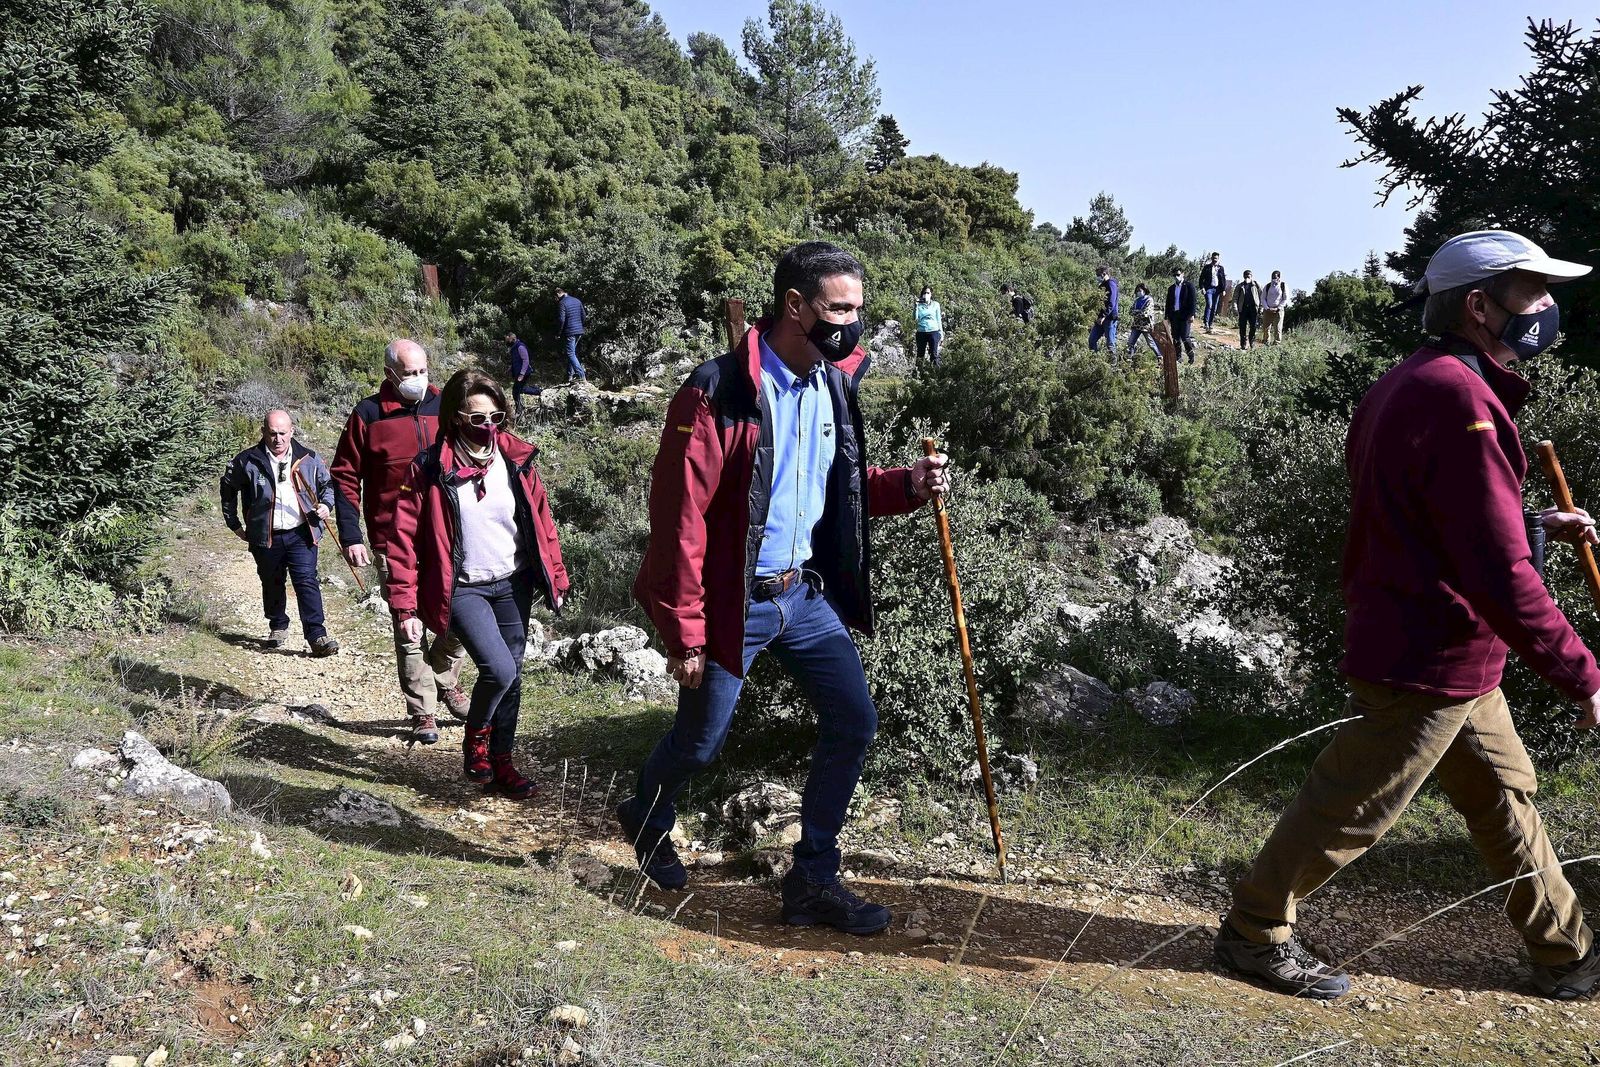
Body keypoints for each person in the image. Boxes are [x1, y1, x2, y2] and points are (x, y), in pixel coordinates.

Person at [1215, 229, 1600, 1002]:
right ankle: (1254, 932)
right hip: (1427, 655)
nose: (1550, 305)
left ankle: (1567, 955)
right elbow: (1492, 568)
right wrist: (1581, 672)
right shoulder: (1459, 398)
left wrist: (1528, 522)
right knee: (1353, 804)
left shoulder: (1423, 381)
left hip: (1451, 650)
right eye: (1535, 290)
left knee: (1502, 796)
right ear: (1481, 306)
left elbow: (1441, 515)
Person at [624, 241, 950, 934]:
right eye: (839, 308)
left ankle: (813, 878)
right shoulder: (719, 391)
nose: (852, 323)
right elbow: (679, 518)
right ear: (794, 305)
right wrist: (684, 631)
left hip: (803, 596)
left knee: (854, 720)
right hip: (731, 601)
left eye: (859, 309)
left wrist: (907, 486)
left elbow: (838, 487)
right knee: (700, 742)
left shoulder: (832, 383)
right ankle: (648, 816)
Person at [385, 369, 570, 797]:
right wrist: (405, 607)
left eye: (495, 417)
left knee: (513, 676)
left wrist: (556, 576)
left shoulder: (516, 460)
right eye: (477, 419)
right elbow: (402, 540)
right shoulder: (428, 469)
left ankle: (502, 764)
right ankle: (477, 739)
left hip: (513, 582)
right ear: (454, 418)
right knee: (498, 668)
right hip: (464, 587)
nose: (488, 427)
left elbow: (542, 522)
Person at [332, 340, 468, 745]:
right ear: (390, 374)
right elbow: (344, 477)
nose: (418, 380)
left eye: (423, 370)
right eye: (409, 373)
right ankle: (423, 710)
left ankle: (445, 680)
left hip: (449, 534)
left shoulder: (446, 406)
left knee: (457, 616)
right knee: (408, 626)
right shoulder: (368, 415)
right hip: (392, 537)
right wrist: (352, 534)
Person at [221, 410, 340, 657]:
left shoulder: (308, 458)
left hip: (302, 532)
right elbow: (228, 489)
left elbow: (328, 485)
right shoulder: (247, 461)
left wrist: (326, 506)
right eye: (272, 433)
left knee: (306, 581)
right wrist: (234, 524)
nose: (278, 439)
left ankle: (317, 635)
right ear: (263, 432)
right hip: (266, 535)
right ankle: (277, 626)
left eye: (282, 433)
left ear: (292, 432)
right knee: (271, 581)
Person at [505, 331, 541, 417]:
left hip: (524, 373)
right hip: (520, 372)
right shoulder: (514, 347)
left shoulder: (520, 346)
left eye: (507, 340)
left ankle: (519, 410)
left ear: (512, 339)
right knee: (519, 389)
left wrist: (521, 374)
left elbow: (526, 361)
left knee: (516, 391)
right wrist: (510, 368)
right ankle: (537, 391)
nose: (506, 342)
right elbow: (516, 361)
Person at [1165, 269, 1198, 363]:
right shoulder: (1171, 288)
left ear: (1183, 274)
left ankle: (1191, 355)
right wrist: (1167, 316)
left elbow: (1193, 301)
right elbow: (1168, 303)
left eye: (1178, 274)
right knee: (1175, 337)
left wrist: (1192, 314)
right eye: (1174, 275)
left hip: (1185, 315)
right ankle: (1178, 357)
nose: (1176, 276)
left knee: (1185, 337)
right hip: (1174, 315)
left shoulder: (1189, 286)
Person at [556, 286, 587, 383]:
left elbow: (561, 320)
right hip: (579, 331)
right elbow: (584, 316)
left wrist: (559, 333)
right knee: (572, 353)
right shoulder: (577, 301)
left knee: (570, 353)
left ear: (557, 294)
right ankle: (569, 376)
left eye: (555, 298)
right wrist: (579, 326)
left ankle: (581, 376)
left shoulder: (562, 303)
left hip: (570, 332)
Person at [1087, 265, 1119, 356]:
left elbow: (1111, 302)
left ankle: (1113, 365)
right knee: (1092, 340)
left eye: (1098, 275)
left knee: (1110, 343)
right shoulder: (1102, 285)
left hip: (1109, 318)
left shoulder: (1111, 284)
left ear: (1104, 274)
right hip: (1100, 318)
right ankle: (1095, 360)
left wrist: (1103, 316)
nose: (1097, 277)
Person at [1124, 283, 1161, 361]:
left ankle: (1159, 357)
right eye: (1137, 291)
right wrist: (1139, 312)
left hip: (1146, 326)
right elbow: (1130, 311)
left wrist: (1137, 312)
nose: (1138, 292)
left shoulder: (1149, 300)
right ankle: (1129, 358)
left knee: (1151, 343)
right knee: (1131, 342)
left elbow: (1146, 313)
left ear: (1144, 290)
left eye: (1140, 290)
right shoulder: (1137, 300)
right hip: (1136, 325)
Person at [913, 285, 943, 367]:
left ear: (931, 294)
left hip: (933, 331)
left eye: (928, 293)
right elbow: (915, 318)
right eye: (924, 293)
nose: (926, 294)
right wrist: (915, 307)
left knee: (933, 354)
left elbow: (938, 319)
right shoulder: (919, 305)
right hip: (921, 332)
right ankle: (917, 375)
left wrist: (941, 333)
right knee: (920, 354)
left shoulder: (936, 304)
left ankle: (934, 374)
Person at [1233, 270, 1262, 350]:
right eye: (1246, 275)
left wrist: (1261, 308)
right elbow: (1235, 298)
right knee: (1242, 327)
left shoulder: (1256, 285)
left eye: (1249, 275)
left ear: (1251, 276)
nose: (1247, 276)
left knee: (1253, 327)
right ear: (1243, 276)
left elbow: (1261, 297)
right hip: (1243, 309)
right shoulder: (1240, 286)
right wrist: (1235, 309)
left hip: (1253, 309)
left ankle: (1252, 342)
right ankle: (1243, 344)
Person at [1199, 252, 1228, 332]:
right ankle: (1206, 322)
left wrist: (1223, 290)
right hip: (1208, 289)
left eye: (1216, 258)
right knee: (1209, 304)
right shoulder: (1207, 267)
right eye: (1214, 258)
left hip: (1217, 290)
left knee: (1214, 307)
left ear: (1218, 259)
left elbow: (1223, 280)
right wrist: (1202, 288)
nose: (1215, 260)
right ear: (1211, 258)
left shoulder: (1221, 268)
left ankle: (1211, 323)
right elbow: (1201, 278)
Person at [1261, 270, 1288, 344]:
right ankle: (1266, 342)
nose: (1273, 279)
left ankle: (1277, 344)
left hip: (1278, 310)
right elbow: (1263, 298)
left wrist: (1278, 308)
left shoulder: (1283, 286)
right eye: (1272, 277)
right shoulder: (1267, 286)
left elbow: (1285, 299)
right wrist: (1267, 308)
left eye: (1275, 277)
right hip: (1268, 309)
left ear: (1279, 277)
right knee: (1266, 328)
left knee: (1278, 328)